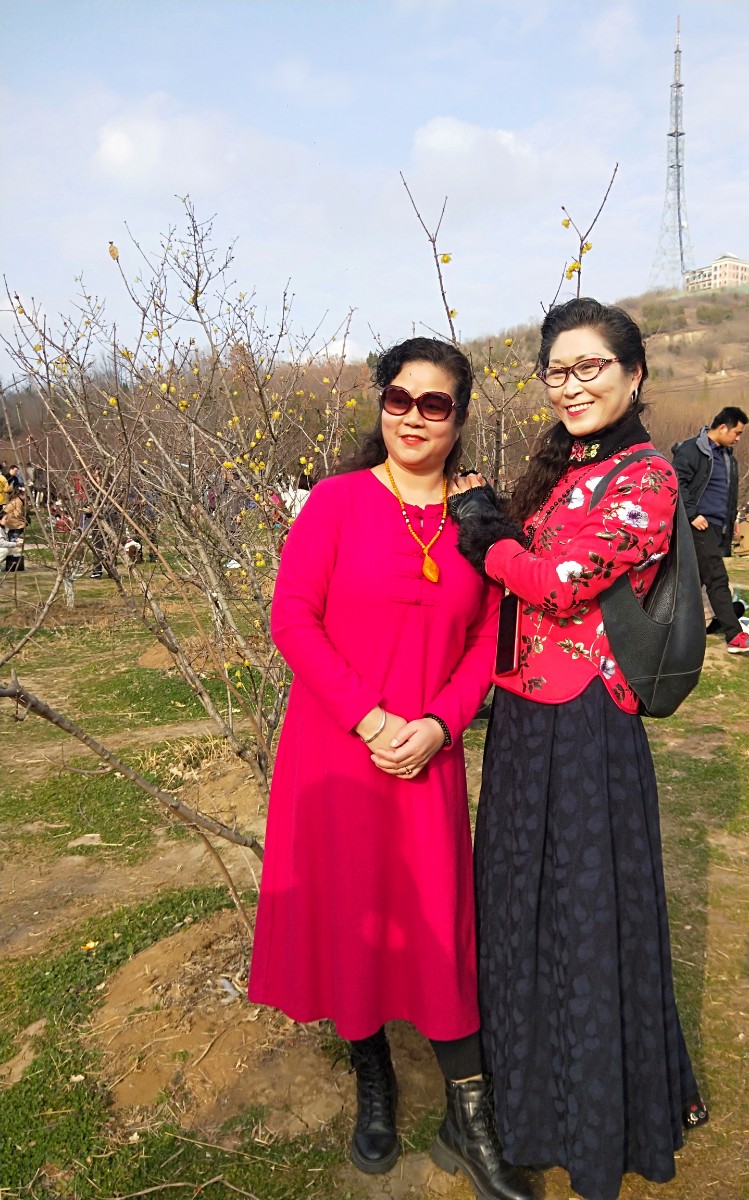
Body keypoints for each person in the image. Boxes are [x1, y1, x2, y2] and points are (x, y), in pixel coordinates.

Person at [247, 337, 533, 1200]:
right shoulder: (336, 502)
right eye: (398, 398)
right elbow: (293, 618)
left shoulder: (477, 518)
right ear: (380, 404)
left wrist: (441, 725)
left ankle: (470, 1121)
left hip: (427, 758)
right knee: (352, 917)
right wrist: (370, 719)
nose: (412, 417)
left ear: (460, 416)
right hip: (336, 749)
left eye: (433, 403)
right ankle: (372, 1081)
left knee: (441, 929)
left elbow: (489, 638)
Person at [448, 299, 707, 1200]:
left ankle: (593, 1121)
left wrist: (488, 533)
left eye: (590, 367)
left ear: (634, 374)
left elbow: (561, 583)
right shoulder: (564, 471)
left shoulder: (649, 476)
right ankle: (526, 1109)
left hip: (589, 723)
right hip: (523, 722)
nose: (571, 385)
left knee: (587, 920)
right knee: (518, 913)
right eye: (558, 371)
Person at [672, 407, 749, 653]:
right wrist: (692, 514)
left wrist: (730, 521)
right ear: (722, 428)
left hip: (717, 527)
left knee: (693, 582)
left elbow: (727, 494)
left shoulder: (727, 457)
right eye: (737, 432)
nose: (738, 438)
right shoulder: (692, 449)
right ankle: (735, 636)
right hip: (698, 524)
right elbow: (676, 482)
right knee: (717, 578)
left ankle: (672, 628)